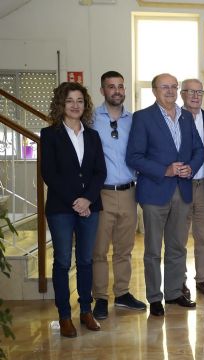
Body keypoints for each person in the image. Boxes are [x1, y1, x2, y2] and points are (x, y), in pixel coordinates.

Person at [126, 73, 204, 316]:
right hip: (154, 193)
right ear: (154, 91)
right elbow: (134, 157)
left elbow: (199, 149)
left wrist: (191, 166)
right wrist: (164, 170)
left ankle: (173, 293)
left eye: (173, 87)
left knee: (177, 247)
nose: (170, 91)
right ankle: (154, 297)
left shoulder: (186, 118)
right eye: (164, 87)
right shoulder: (143, 118)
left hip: (182, 190)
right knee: (152, 250)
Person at [42, 82, 106, 337]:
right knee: (62, 261)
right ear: (61, 104)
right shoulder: (50, 134)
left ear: (85, 104)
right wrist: (76, 201)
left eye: (80, 100)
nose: (75, 105)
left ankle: (86, 311)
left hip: (90, 207)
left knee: (86, 260)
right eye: (70, 100)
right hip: (61, 209)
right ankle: (64, 315)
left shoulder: (92, 136)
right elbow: (49, 174)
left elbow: (100, 172)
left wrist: (87, 200)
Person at [91, 71, 146, 321]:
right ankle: (100, 298)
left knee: (124, 249)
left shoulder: (134, 120)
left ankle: (122, 293)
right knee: (99, 250)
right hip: (101, 193)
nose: (116, 91)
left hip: (128, 191)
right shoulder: (91, 120)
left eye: (120, 86)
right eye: (111, 87)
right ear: (102, 91)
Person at [180, 78, 204, 297]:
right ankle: (180, 281)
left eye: (199, 92)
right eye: (190, 92)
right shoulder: (174, 118)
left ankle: (201, 279)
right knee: (179, 237)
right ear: (182, 94)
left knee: (203, 237)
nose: (195, 96)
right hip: (181, 185)